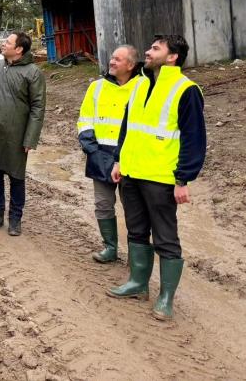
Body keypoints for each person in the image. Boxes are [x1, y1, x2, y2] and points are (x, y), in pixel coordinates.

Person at [108, 34, 206, 321]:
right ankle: (138, 284)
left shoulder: (186, 89)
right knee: (136, 231)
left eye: (155, 48)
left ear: (173, 56)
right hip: (131, 173)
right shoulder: (138, 84)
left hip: (161, 178)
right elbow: (127, 127)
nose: (148, 53)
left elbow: (194, 138)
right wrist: (118, 159)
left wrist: (183, 179)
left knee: (165, 237)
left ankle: (166, 298)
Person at [0, 31, 46, 236]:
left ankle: (15, 219)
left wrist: (30, 138)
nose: (4, 44)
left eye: (8, 42)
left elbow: (38, 108)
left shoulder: (33, 73)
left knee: (16, 176)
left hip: (16, 134)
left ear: (19, 49)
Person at [76, 45, 146, 263]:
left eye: (117, 59)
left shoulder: (143, 87)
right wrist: (91, 148)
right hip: (100, 154)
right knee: (103, 204)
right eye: (112, 58)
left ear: (131, 65)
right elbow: (85, 118)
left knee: (134, 209)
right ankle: (110, 247)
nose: (111, 62)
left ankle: (138, 255)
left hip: (131, 157)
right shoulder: (96, 87)